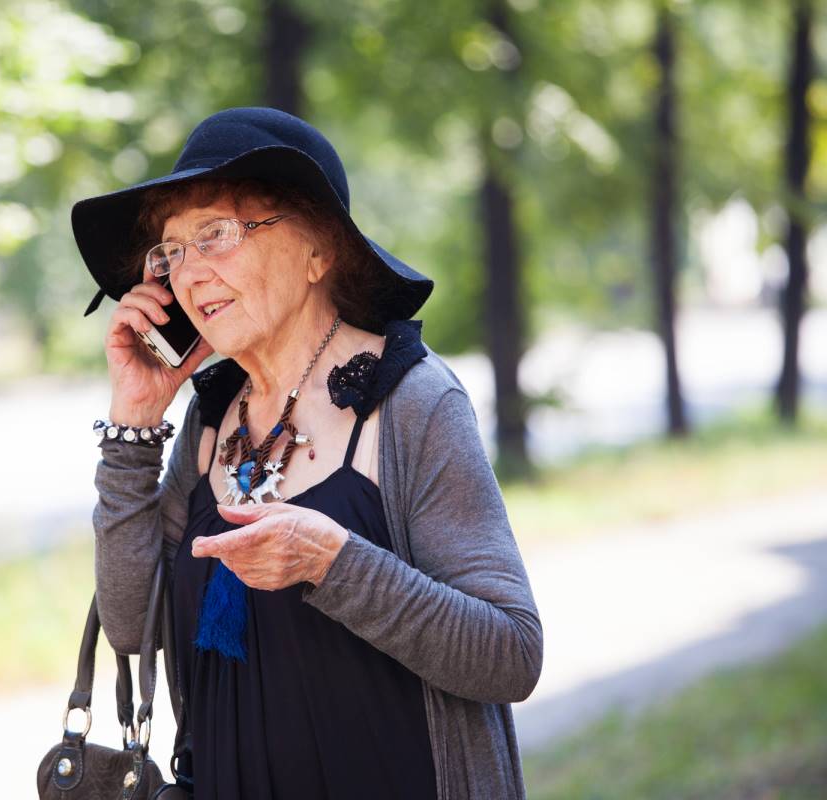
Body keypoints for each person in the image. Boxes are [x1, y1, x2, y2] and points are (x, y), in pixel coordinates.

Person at [74, 107, 543, 800]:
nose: (189, 274)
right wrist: (135, 424)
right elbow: (128, 621)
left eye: (218, 234)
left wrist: (334, 564)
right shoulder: (208, 419)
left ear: (320, 251)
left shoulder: (413, 402)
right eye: (172, 252)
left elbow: (511, 654)